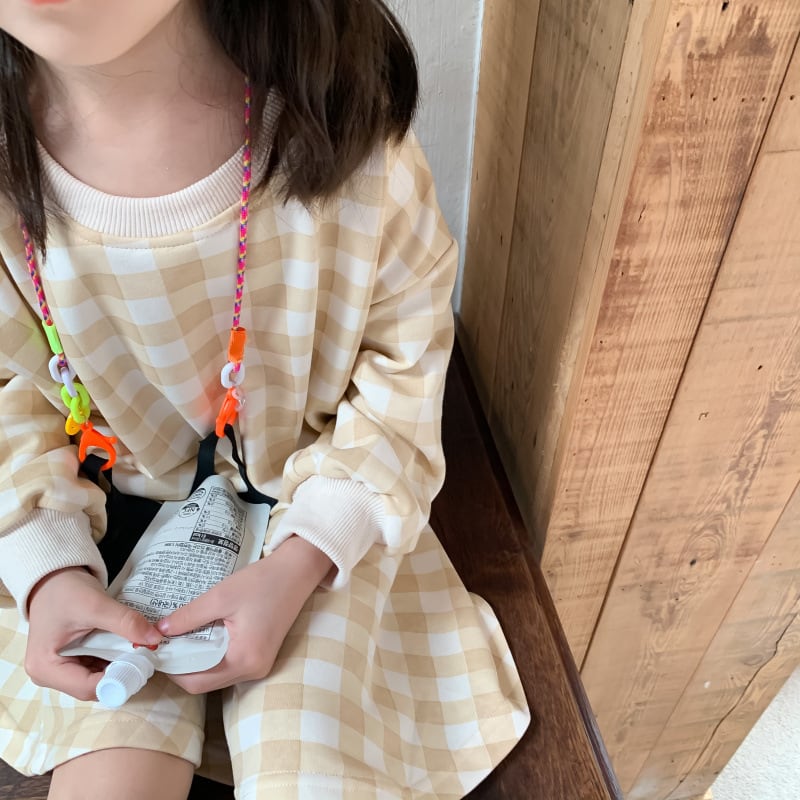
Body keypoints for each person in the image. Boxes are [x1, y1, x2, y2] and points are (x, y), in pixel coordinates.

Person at [0, 1, 529, 798]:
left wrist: (304, 557)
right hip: (101, 526)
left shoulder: (341, 128)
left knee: (308, 762)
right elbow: (12, 394)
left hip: (315, 517)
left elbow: (402, 373)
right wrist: (46, 567)